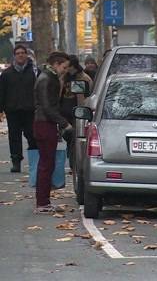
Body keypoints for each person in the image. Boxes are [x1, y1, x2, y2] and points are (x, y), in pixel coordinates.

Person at [33, 51, 72, 213]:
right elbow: (47, 106)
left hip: (44, 122)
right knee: (46, 163)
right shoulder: (47, 79)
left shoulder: (47, 77)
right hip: (45, 123)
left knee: (47, 163)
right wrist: (64, 123)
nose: (65, 70)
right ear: (56, 64)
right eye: (64, 67)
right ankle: (42, 202)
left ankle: (43, 201)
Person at [0, 45, 38, 173]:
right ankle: (16, 162)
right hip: (13, 110)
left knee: (32, 136)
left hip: (30, 110)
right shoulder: (7, 74)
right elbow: (2, 92)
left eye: (23, 53)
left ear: (27, 55)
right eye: (18, 53)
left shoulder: (34, 71)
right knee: (14, 137)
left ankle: (35, 161)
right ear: (14, 56)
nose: (20, 55)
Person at [60, 55, 93, 169]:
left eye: (68, 66)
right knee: (68, 136)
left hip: (78, 112)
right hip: (64, 112)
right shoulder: (64, 77)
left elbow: (87, 97)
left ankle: (73, 162)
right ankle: (72, 158)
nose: (66, 69)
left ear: (73, 66)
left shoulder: (84, 78)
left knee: (74, 137)